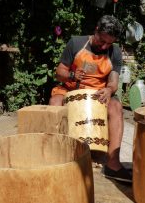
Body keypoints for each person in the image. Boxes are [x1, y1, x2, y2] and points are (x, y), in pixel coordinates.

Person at [49, 15, 132, 183]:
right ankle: (58, 157)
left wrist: (109, 90)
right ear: (96, 30)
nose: (104, 46)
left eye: (109, 43)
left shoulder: (114, 51)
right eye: (102, 41)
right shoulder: (76, 43)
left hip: (98, 93)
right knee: (55, 103)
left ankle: (113, 164)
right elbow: (59, 73)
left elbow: (114, 81)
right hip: (71, 88)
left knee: (116, 107)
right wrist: (71, 74)